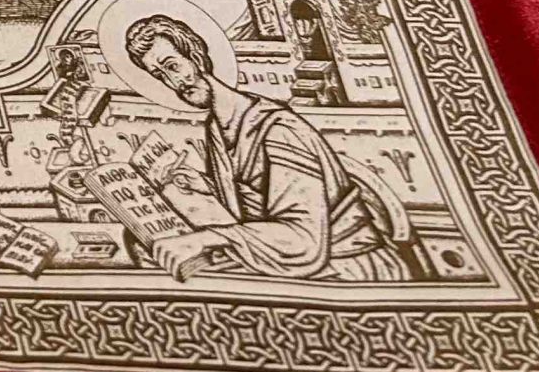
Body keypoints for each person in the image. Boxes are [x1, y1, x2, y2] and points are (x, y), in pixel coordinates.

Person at [122, 15, 410, 282]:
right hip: (287, 265)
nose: (174, 83)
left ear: (195, 57)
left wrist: (204, 239)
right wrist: (205, 185)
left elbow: (304, 239)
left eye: (173, 66)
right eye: (159, 75)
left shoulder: (278, 130)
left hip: (348, 271)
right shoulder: (218, 127)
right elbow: (257, 197)